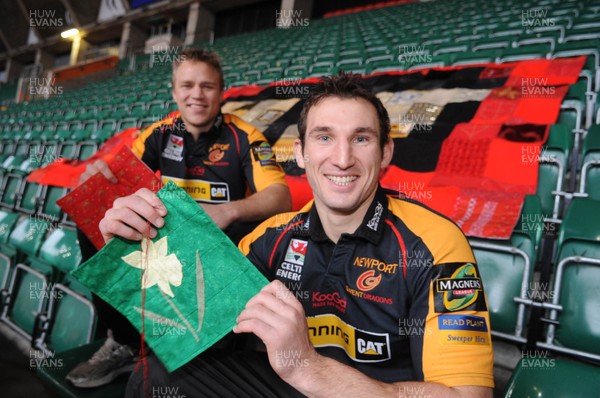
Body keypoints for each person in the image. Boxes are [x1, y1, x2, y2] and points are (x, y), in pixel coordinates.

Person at [99, 73, 494, 397]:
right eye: (324, 137)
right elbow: (184, 330)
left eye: (361, 138)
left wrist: (308, 366)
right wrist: (133, 251)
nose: (342, 159)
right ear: (300, 153)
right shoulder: (269, 238)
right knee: (160, 379)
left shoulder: (437, 243)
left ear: (385, 153)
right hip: (289, 388)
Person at [66, 48, 291, 388]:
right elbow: (117, 175)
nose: (196, 95)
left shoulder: (244, 136)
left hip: (218, 245)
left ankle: (203, 350)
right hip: (167, 236)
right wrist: (97, 175)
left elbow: (281, 196)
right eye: (187, 85)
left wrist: (227, 210)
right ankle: (125, 343)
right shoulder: (160, 132)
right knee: (98, 219)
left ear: (221, 92)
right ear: (174, 91)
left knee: (250, 230)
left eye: (207, 86)